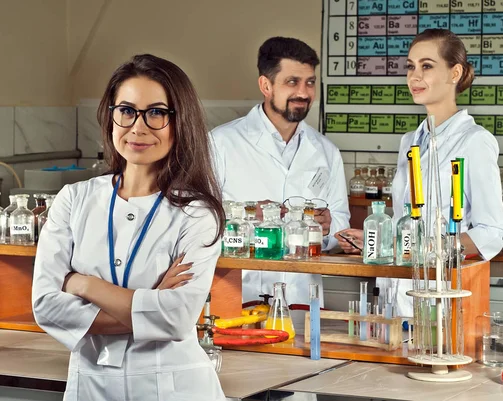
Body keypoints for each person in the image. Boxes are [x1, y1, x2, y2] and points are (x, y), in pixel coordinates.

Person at [32, 54, 227, 400]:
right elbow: (46, 305)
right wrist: (150, 303)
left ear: (180, 122)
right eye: (126, 111)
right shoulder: (74, 200)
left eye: (156, 113)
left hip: (174, 387)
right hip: (89, 384)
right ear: (111, 117)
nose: (138, 127)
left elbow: (178, 318)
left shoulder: (197, 213)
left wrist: (81, 283)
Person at [335, 29, 503, 317]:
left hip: (440, 295)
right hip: (397, 292)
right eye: (410, 67)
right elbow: (410, 221)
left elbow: (492, 232)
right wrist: (378, 240)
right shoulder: (410, 141)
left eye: (426, 66)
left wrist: (428, 247)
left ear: (454, 73)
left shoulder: (474, 140)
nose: (414, 77)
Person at [211, 37, 350, 306]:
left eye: (310, 82)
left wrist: (326, 227)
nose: (303, 92)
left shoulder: (326, 151)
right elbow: (195, 219)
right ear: (266, 85)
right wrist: (248, 216)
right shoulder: (220, 143)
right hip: (239, 294)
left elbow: (340, 225)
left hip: (301, 297)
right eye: (292, 82)